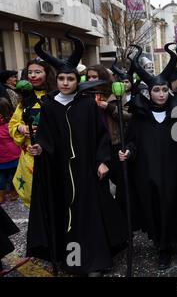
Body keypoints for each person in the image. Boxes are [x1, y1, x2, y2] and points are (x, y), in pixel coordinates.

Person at [26, 30, 127, 277]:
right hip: (60, 172)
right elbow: (45, 137)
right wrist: (38, 147)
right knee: (65, 215)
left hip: (86, 171)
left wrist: (103, 161)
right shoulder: (48, 106)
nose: (66, 83)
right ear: (56, 80)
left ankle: (93, 262)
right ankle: (71, 259)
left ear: (76, 80)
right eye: (61, 79)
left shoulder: (87, 105)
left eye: (70, 79)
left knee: (89, 216)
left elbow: (102, 136)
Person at [118, 43, 177, 271]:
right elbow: (132, 141)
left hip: (174, 172)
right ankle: (161, 245)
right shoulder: (140, 116)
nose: (160, 94)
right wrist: (128, 151)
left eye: (164, 90)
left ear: (169, 91)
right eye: (156, 91)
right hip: (147, 173)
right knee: (155, 208)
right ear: (149, 93)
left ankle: (169, 244)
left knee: (172, 206)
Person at [8, 58, 56, 207]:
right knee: (33, 197)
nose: (33, 76)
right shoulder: (24, 99)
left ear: (47, 74)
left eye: (37, 72)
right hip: (29, 156)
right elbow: (13, 124)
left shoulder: (55, 96)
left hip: (51, 154)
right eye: (30, 72)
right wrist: (22, 128)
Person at [0, 98, 21, 204]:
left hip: (2, 158)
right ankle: (14, 192)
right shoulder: (10, 125)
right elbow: (17, 137)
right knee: (13, 175)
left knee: (2, 176)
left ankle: (1, 194)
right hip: (14, 156)